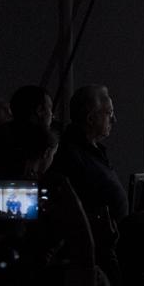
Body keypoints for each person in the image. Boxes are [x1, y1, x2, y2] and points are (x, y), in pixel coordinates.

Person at [50, 84, 127, 219]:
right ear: (90, 119)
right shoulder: (70, 156)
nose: (114, 120)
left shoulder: (94, 150)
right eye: (109, 113)